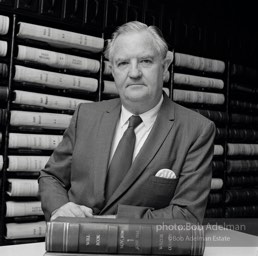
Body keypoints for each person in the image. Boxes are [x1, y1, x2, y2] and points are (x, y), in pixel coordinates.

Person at [38, 21, 216, 224]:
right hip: (75, 247)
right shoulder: (85, 116)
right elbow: (52, 176)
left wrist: (110, 224)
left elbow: (187, 215)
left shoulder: (196, 130)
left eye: (145, 61)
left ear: (165, 67)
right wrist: (60, 207)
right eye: (123, 63)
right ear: (112, 70)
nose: (134, 73)